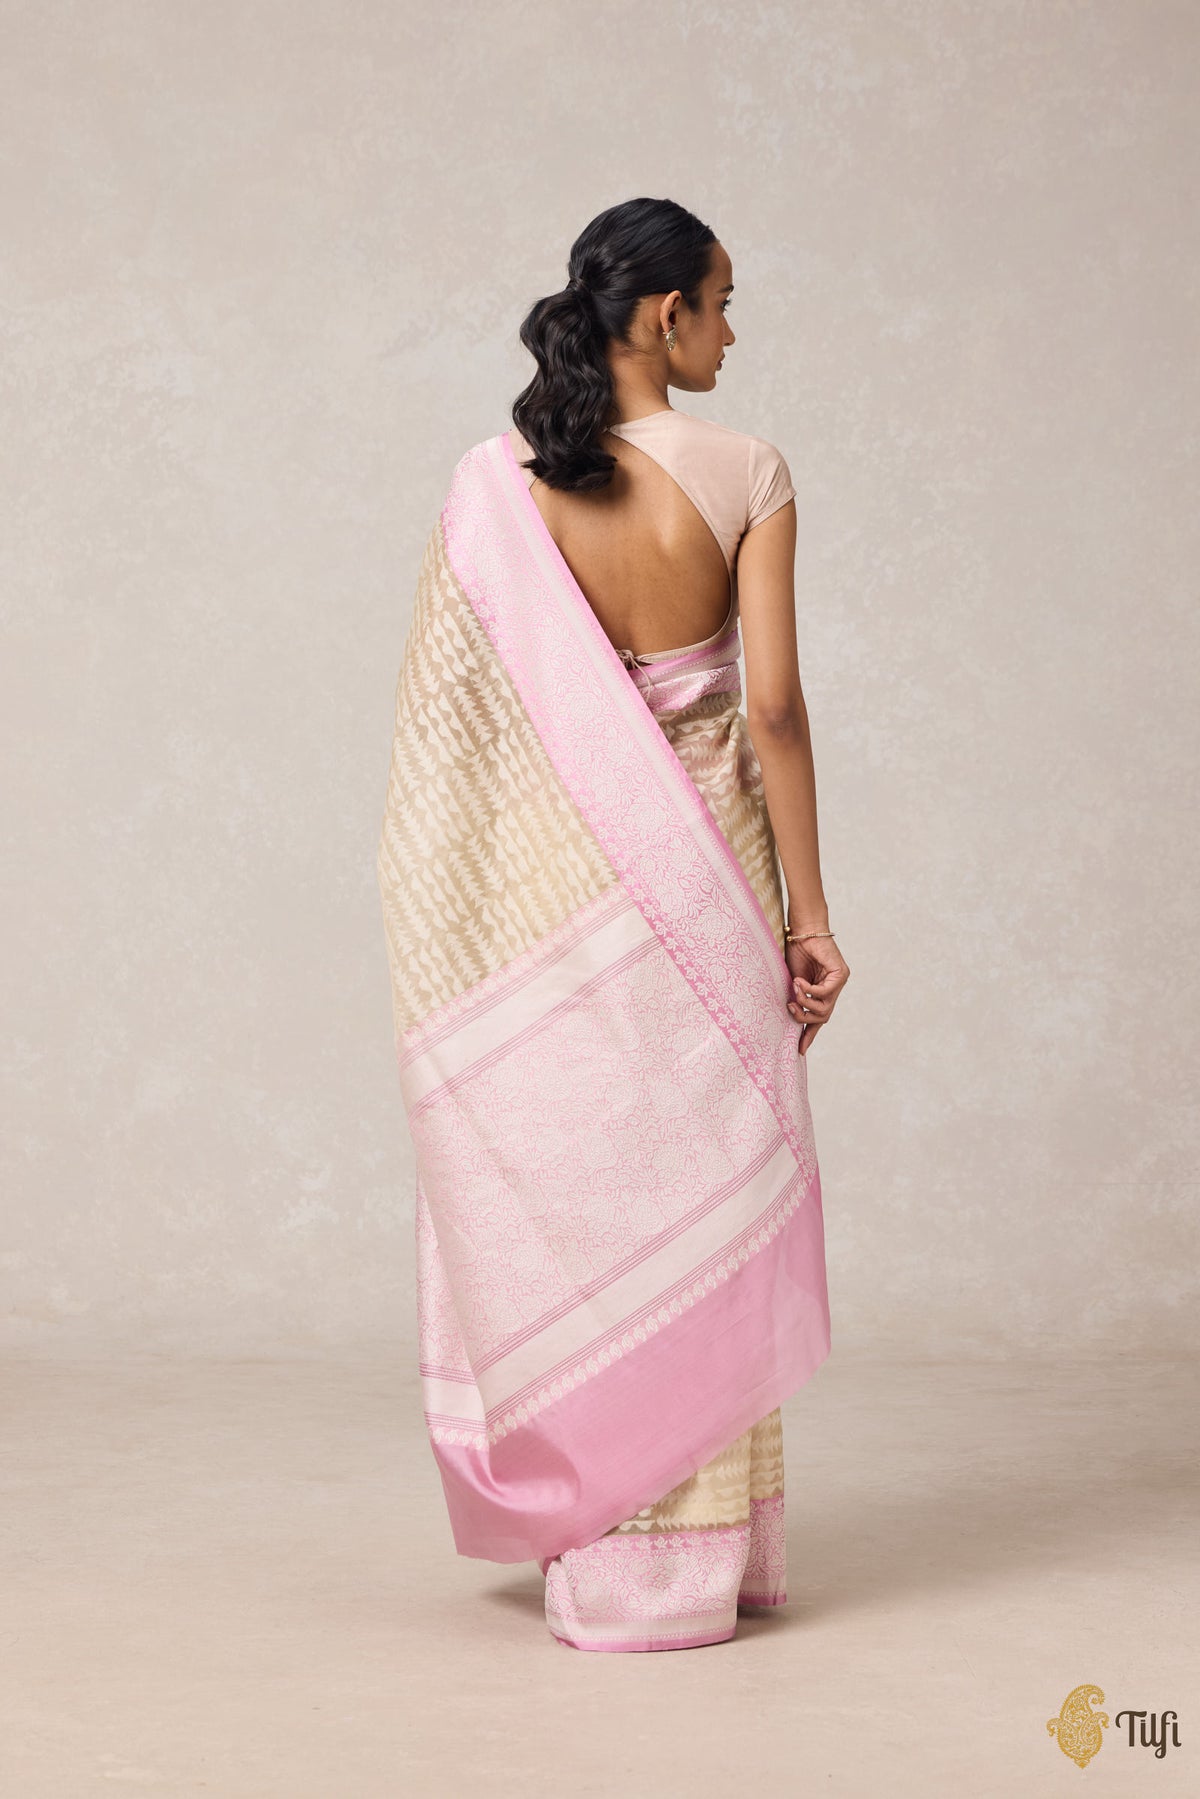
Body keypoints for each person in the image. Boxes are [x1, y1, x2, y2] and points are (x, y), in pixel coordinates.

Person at [376, 196, 850, 1653]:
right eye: (723, 300)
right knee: (703, 1194)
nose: (732, 330)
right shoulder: (748, 470)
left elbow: (455, 740)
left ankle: (606, 1542)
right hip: (712, 882)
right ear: (663, 314)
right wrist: (811, 914)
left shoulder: (503, 487)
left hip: (558, 889)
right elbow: (772, 710)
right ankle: (705, 1559)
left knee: (594, 1200)